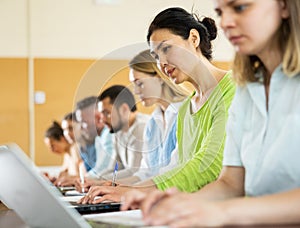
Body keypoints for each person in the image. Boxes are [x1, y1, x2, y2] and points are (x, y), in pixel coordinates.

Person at [122, 1, 300, 226]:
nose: (225, 23)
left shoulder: (233, 91)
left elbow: (210, 169)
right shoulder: (248, 89)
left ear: (283, 6)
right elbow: (230, 184)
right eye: (220, 12)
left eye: (240, 8)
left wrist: (223, 212)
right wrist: (177, 204)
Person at [77, 7, 235, 204]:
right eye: (156, 56)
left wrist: (138, 192)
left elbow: (209, 166)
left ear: (194, 39)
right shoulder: (187, 108)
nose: (162, 63)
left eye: (166, 49)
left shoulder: (232, 89)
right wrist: (131, 189)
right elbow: (176, 167)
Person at [116, 49, 188, 184]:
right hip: (155, 195)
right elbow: (146, 172)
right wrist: (112, 185)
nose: (136, 92)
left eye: (140, 83)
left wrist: (130, 190)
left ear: (160, 77)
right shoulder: (152, 123)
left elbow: (175, 171)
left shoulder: (187, 112)